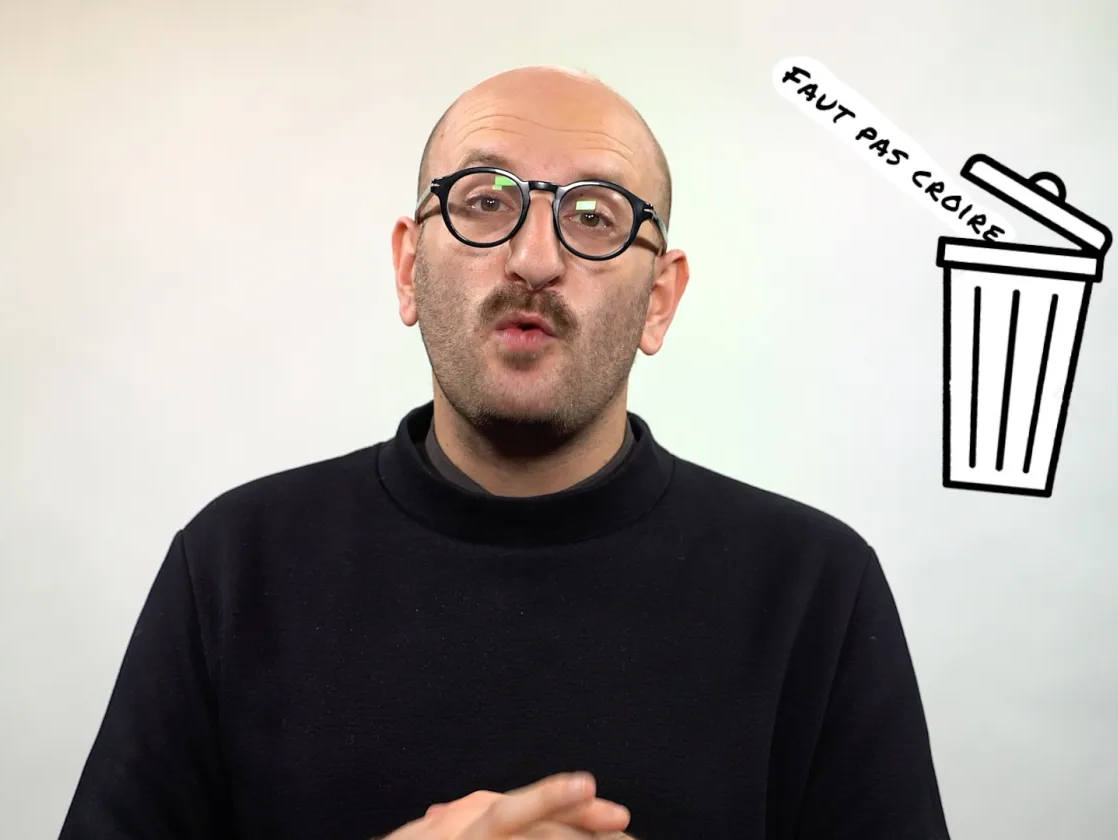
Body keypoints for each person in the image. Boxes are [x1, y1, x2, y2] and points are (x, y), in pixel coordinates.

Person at [58, 65, 951, 840]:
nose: (533, 258)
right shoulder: (234, 564)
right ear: (409, 268)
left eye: (594, 216)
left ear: (659, 300)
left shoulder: (815, 588)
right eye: (485, 201)